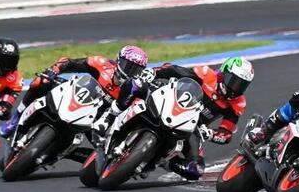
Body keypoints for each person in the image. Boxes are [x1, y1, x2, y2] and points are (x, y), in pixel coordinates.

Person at [102, 56, 255, 181]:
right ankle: (110, 117)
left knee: (195, 170)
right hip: (170, 103)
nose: (235, 88)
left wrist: (211, 133)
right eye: (233, 81)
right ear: (223, 73)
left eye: (242, 85)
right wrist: (154, 73)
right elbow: (173, 70)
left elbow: (227, 132)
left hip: (191, 128)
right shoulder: (206, 74)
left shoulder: (237, 103)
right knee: (135, 85)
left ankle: (165, 161)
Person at [0, 45, 149, 139]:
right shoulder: (102, 64)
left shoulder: (132, 90)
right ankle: (15, 119)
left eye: (135, 69)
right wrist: (54, 70)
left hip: (96, 120)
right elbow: (69, 62)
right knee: (40, 82)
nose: (129, 71)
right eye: (127, 65)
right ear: (118, 60)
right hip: (77, 97)